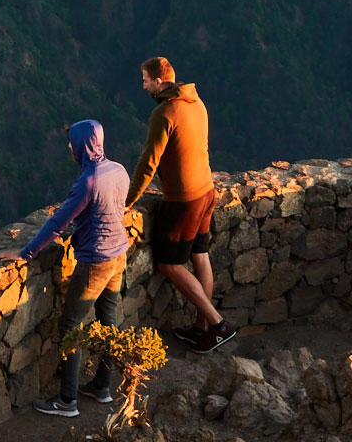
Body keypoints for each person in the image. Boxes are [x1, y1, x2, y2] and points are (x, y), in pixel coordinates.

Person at [15, 119, 131, 419]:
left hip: (96, 260)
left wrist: (27, 252)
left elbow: (57, 223)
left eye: (72, 142)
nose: (69, 147)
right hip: (120, 254)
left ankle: (67, 400)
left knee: (70, 327)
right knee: (108, 320)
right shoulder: (118, 170)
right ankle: (103, 388)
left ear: (82, 144)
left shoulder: (88, 181)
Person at [125, 55, 233, 354]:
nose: (143, 86)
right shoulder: (196, 102)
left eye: (146, 80)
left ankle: (217, 324)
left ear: (159, 80)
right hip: (206, 191)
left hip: (183, 200)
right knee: (200, 255)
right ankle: (202, 330)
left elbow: (149, 162)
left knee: (169, 264)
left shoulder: (165, 112)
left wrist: (129, 201)